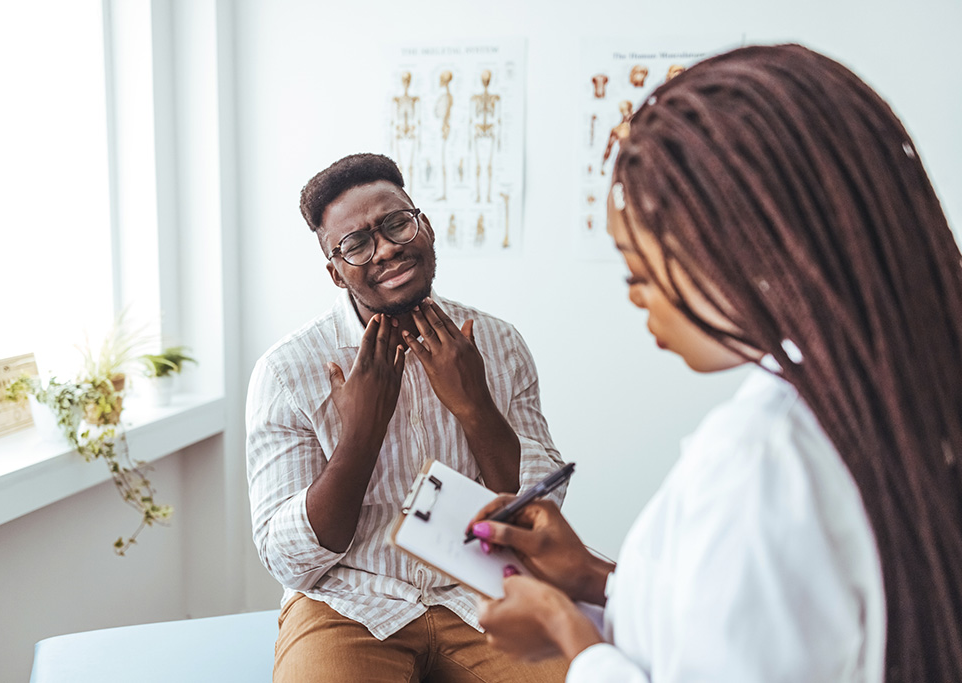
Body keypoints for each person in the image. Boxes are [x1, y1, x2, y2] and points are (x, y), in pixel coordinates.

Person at [469, 44, 962, 682]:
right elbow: (778, 627)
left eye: (641, 269)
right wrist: (598, 580)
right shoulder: (914, 388)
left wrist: (570, 637)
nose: (634, 295)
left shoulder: (762, 456)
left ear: (754, 245)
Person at [245, 153, 568, 682]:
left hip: (483, 591)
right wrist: (361, 433)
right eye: (356, 243)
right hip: (347, 603)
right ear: (335, 271)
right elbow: (290, 562)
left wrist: (475, 406)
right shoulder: (287, 371)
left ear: (426, 228)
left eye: (396, 223)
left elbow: (542, 510)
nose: (388, 248)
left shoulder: (498, 343)